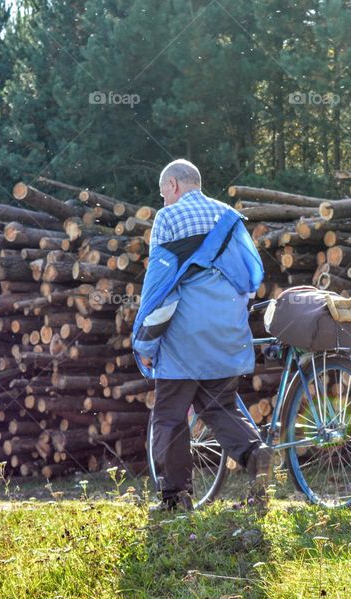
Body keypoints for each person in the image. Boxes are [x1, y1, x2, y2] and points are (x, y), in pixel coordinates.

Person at [131, 159, 272, 512]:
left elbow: (160, 289)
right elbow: (248, 279)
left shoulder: (169, 218)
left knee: (169, 414)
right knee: (218, 405)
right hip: (228, 330)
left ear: (175, 186)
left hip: (184, 336)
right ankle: (256, 455)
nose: (164, 201)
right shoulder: (229, 217)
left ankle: (176, 498)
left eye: (164, 194)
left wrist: (145, 342)